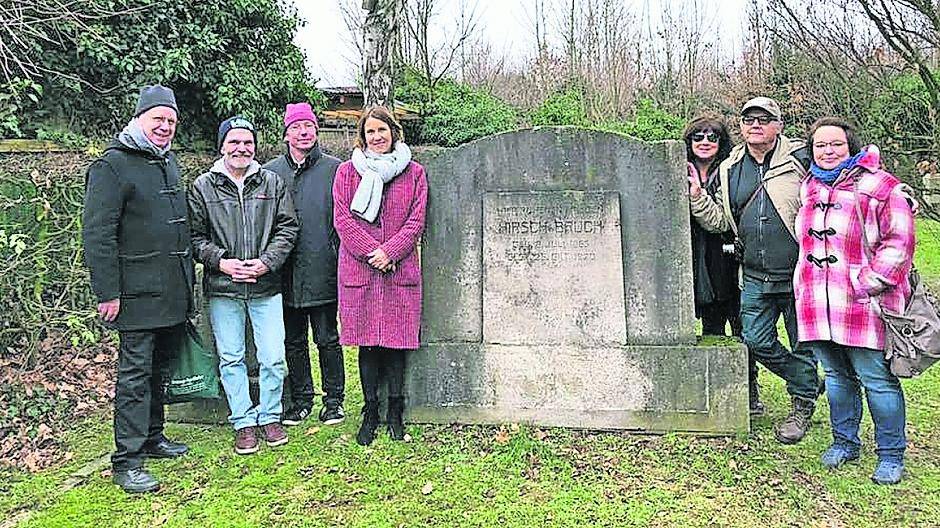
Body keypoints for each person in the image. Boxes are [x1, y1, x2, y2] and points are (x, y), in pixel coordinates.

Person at [689, 96, 822, 444]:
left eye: (764, 119)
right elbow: (719, 220)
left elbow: (837, 183)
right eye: (749, 119)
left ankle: (801, 405)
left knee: (802, 342)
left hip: (798, 273)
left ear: (778, 125)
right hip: (753, 275)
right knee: (755, 340)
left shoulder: (800, 159)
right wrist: (695, 196)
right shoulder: (731, 168)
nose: (756, 125)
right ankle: (808, 379)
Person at [82, 85, 193, 493]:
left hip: (170, 292)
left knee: (159, 368)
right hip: (134, 294)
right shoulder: (112, 165)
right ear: (140, 119)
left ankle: (153, 436)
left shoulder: (167, 162)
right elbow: (98, 234)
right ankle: (126, 460)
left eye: (170, 121)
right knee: (134, 375)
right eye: (158, 119)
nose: (165, 127)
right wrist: (107, 292)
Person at [795, 117, 915, 485]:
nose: (828, 151)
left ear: (851, 146)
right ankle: (845, 441)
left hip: (863, 304)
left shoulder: (880, 185)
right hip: (817, 302)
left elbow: (900, 240)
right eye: (820, 145)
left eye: (836, 144)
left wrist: (869, 283)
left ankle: (891, 453)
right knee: (835, 377)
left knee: (876, 379)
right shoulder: (810, 187)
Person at [188, 116, 299, 455]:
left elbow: (287, 228)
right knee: (232, 357)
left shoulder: (272, 183)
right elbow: (193, 237)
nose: (241, 148)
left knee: (272, 356)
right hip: (223, 287)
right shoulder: (202, 187)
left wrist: (266, 262)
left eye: (247, 142)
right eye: (234, 142)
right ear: (222, 146)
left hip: (265, 286)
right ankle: (243, 422)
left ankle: (269, 415)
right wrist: (222, 261)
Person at [333, 106, 428, 446]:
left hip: (398, 269)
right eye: (370, 132)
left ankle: (395, 411)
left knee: (396, 343)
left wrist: (391, 252)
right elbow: (343, 220)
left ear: (393, 133)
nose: (377, 137)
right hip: (361, 270)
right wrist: (373, 253)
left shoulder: (414, 173)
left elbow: (416, 221)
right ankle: (370, 410)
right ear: (363, 136)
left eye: (382, 130)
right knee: (368, 343)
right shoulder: (346, 173)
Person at [264, 103, 345, 427]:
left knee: (326, 337)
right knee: (292, 340)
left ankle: (334, 399)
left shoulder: (334, 169)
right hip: (283, 270)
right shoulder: (270, 172)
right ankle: (300, 399)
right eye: (297, 127)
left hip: (323, 265)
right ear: (286, 134)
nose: (304, 132)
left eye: (309, 126)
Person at [683, 115, 764, 415]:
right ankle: (717, 388)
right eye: (699, 137)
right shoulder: (678, 170)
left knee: (742, 328)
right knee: (711, 325)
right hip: (696, 258)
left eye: (712, 137)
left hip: (729, 258)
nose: (705, 142)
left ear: (721, 142)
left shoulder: (731, 171)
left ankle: (750, 388)